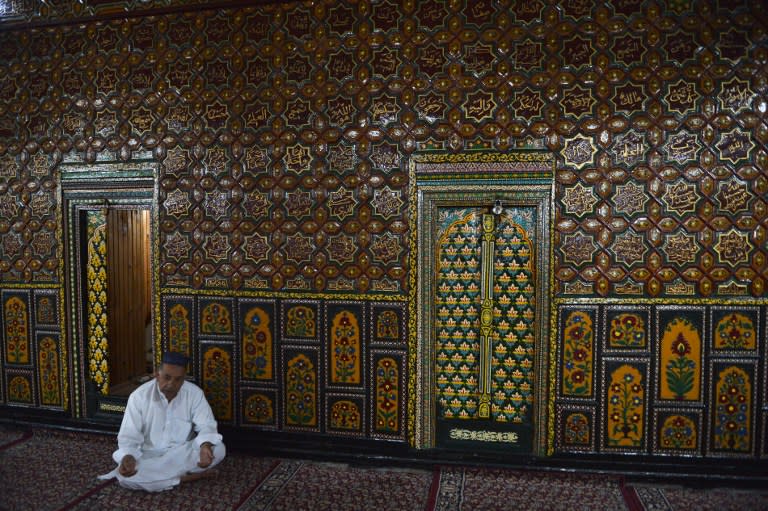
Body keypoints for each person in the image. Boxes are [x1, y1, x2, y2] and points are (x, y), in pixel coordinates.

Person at [98, 351, 226, 492]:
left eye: (178, 379)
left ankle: (161, 479)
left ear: (183, 379)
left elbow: (206, 425)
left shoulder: (194, 394)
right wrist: (128, 457)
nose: (171, 383)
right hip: (149, 455)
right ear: (157, 375)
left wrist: (205, 446)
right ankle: (191, 476)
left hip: (181, 452)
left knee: (218, 449)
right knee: (126, 478)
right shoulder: (139, 397)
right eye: (167, 377)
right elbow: (129, 435)